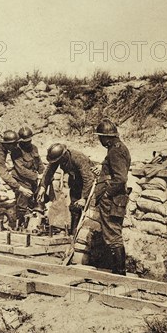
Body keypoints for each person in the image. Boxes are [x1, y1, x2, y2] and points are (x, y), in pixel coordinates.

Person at [93, 118, 131, 276]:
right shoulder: (119, 148)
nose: (100, 140)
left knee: (112, 234)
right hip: (115, 198)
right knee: (113, 233)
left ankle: (119, 272)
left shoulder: (115, 150)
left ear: (106, 137)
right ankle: (117, 270)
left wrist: (107, 193)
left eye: (101, 137)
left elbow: (121, 178)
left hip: (112, 200)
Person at [36, 143, 95, 235]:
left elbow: (88, 178)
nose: (57, 162)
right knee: (74, 207)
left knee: (86, 210)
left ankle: (81, 233)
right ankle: (73, 232)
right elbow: (48, 172)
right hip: (75, 182)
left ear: (64, 155)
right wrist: (43, 187)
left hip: (88, 184)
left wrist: (84, 198)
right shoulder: (58, 158)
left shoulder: (78, 158)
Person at [10, 126, 43, 229]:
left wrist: (44, 177)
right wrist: (37, 176)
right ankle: (20, 227)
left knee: (35, 204)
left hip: (33, 181)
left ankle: (33, 226)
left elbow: (39, 163)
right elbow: (21, 170)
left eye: (29, 140)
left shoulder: (34, 148)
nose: (27, 143)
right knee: (22, 206)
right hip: (21, 181)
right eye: (25, 141)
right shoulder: (16, 150)